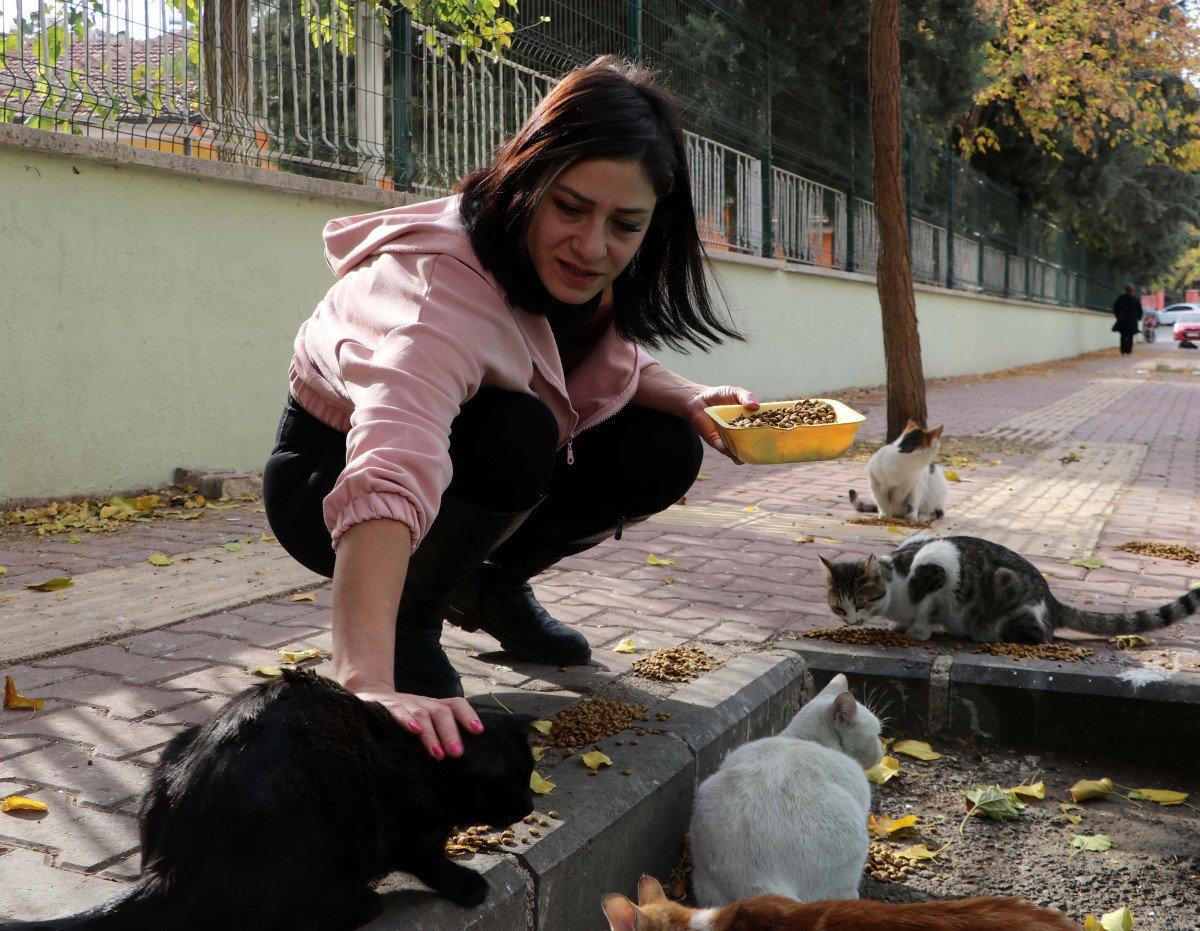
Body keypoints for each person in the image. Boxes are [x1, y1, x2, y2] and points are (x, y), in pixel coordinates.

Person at [263, 57, 758, 761]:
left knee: (666, 443)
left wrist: (687, 396)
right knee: (516, 431)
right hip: (326, 480)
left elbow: (568, 358)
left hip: (455, 465)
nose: (593, 247)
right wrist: (366, 680)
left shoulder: (587, 268)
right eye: (571, 207)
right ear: (527, 175)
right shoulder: (435, 297)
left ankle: (490, 586)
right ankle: (409, 620)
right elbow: (391, 464)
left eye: (625, 223)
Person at [1112, 284, 1143, 355]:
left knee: (1123, 336)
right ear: (1133, 291)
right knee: (1130, 337)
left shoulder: (1121, 298)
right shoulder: (1136, 299)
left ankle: (1123, 351)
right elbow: (1140, 310)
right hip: (1132, 321)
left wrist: (1118, 316)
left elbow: (1115, 308)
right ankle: (1128, 351)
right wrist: (1138, 317)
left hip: (1123, 321)